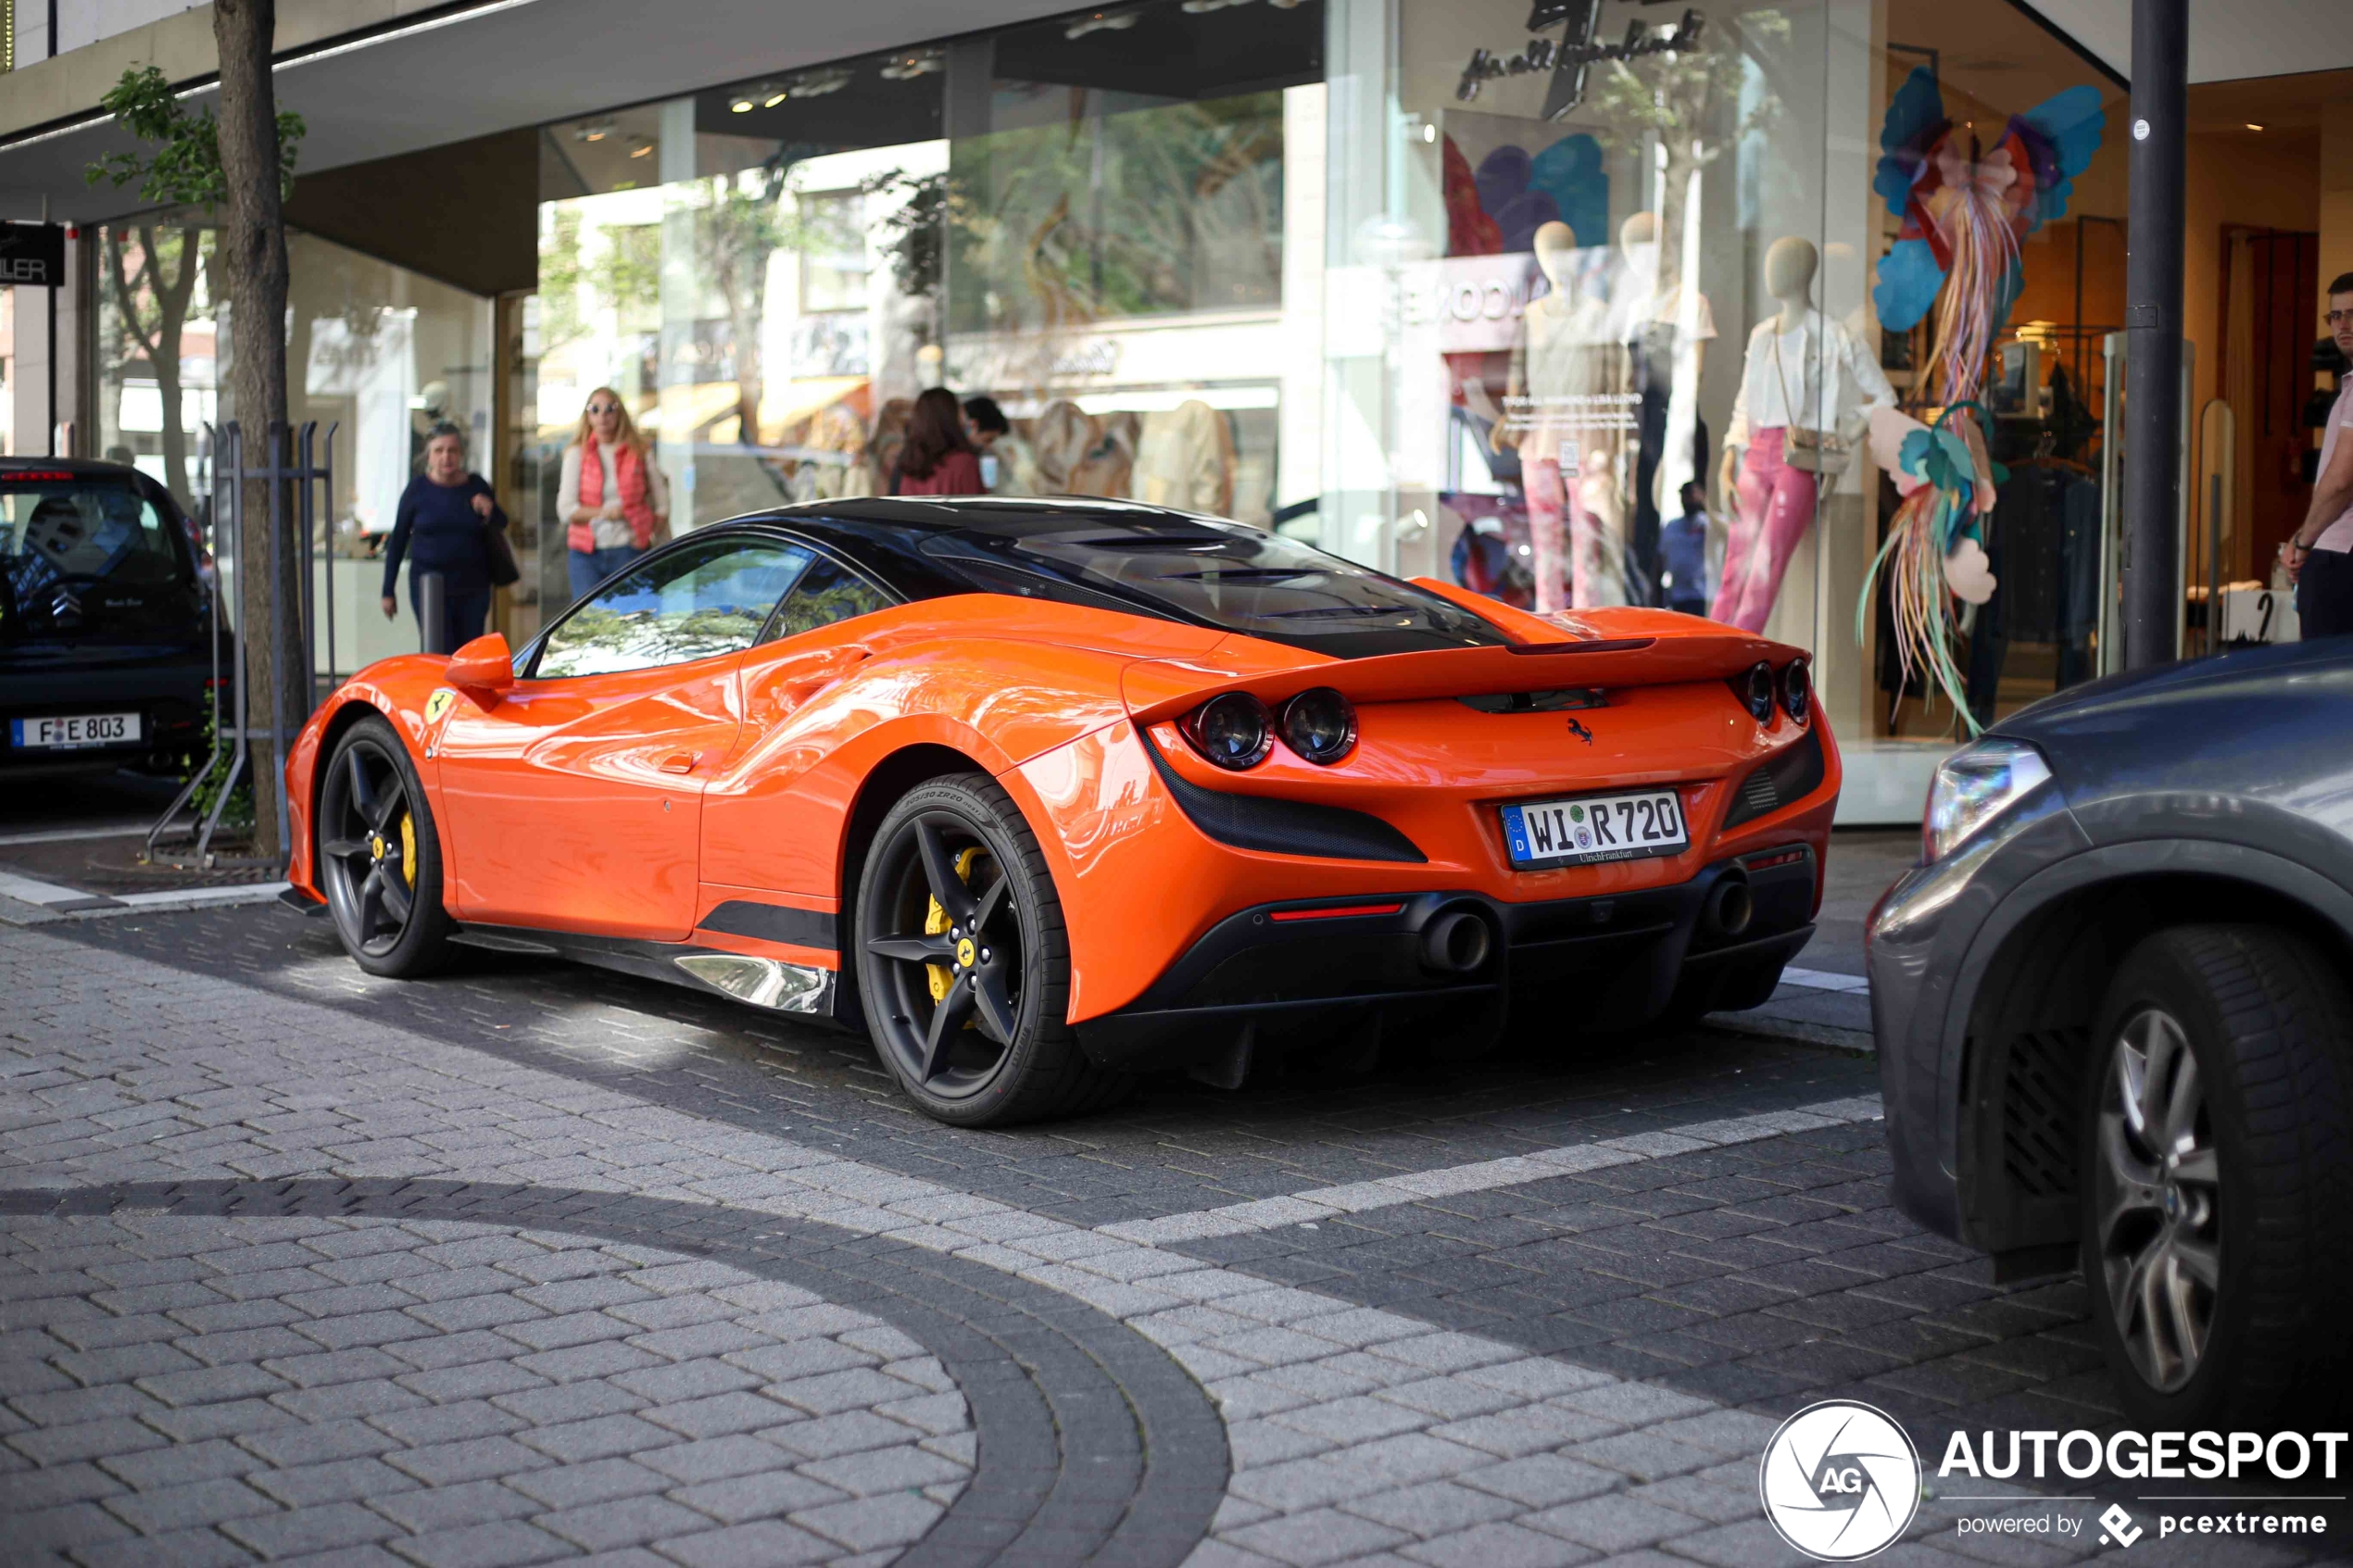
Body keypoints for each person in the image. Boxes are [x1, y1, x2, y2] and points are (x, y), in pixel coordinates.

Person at [380, 423, 506, 653]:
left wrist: (489, 509)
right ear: (428, 455)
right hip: (429, 586)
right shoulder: (417, 490)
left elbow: (502, 523)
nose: (446, 457)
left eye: (452, 450)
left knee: (468, 653)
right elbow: (398, 541)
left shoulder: (476, 486)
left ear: (461, 454)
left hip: (473, 587)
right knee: (437, 650)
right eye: (439, 451)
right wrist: (388, 590)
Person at [2283, 271, 2353, 639]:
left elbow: (2342, 481)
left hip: (2339, 560)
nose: (2343, 324)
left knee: (2325, 686)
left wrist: (2302, 541)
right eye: (2335, 316)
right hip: (2335, 552)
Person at [557, 388, 668, 601]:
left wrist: (649, 532)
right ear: (587, 416)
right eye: (595, 409)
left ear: (620, 413)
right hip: (586, 555)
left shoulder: (640, 452)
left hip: (630, 549)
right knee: (587, 624)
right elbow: (565, 510)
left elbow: (661, 500)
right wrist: (607, 513)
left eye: (610, 409)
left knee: (635, 618)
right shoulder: (576, 454)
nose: (602, 416)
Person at [892, 387, 985, 496]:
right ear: (951, 418)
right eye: (960, 412)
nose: (965, 420)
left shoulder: (909, 463)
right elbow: (976, 510)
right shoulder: (965, 462)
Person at [1659, 481, 1713, 617]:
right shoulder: (1672, 526)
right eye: (1684, 495)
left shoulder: (1709, 524)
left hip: (1705, 596)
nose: (1688, 499)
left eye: (1692, 494)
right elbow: (1660, 558)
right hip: (1679, 596)